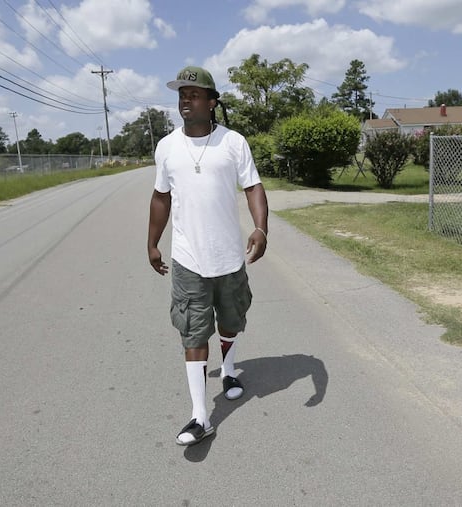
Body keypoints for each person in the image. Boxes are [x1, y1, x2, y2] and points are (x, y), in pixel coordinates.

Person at [147, 66, 269, 446]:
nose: (186, 100)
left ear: (212, 102)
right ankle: (201, 416)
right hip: (187, 259)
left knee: (230, 320)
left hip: (229, 257)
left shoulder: (233, 142)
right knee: (193, 329)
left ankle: (229, 369)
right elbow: (160, 197)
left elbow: (253, 187)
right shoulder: (166, 147)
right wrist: (152, 243)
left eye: (194, 94)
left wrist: (261, 227)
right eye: (182, 94)